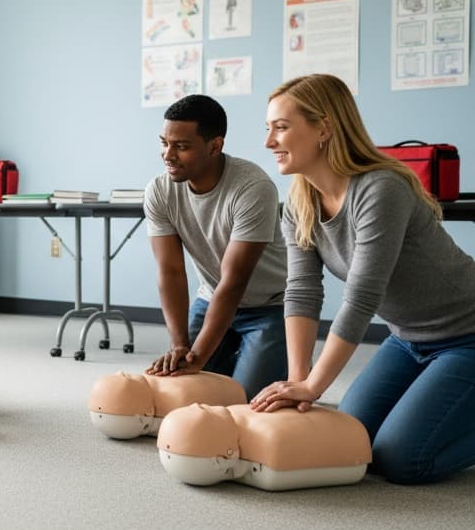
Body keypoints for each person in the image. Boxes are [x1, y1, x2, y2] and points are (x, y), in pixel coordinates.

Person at [252, 74, 475, 484]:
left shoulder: (380, 189)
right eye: (267, 129)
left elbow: (361, 297)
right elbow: (302, 291)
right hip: (407, 339)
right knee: (354, 441)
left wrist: (316, 387)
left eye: (281, 128)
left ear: (324, 128)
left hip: (467, 335)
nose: (269, 142)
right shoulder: (298, 204)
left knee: (401, 460)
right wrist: (297, 380)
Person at [145, 94, 288, 399]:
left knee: (243, 399)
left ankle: (284, 357)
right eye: (164, 143)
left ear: (214, 146)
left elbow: (233, 283)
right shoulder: (159, 190)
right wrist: (181, 347)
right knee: (178, 392)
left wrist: (197, 359)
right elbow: (170, 272)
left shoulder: (253, 188)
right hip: (210, 300)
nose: (168, 155)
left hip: (270, 307)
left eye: (181, 147)